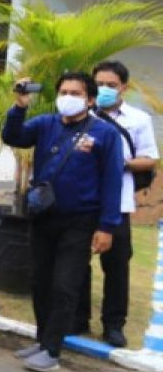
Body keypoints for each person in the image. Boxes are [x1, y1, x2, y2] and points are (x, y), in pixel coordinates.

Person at [2, 72, 124, 372]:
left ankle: (53, 351)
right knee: (40, 281)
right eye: (64, 91)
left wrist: (107, 226)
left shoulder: (104, 134)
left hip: (80, 221)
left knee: (64, 285)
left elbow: (112, 182)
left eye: (76, 92)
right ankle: (43, 339)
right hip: (44, 217)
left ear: (90, 99)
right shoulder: (46, 124)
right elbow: (13, 137)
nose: (68, 97)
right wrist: (19, 106)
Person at [74, 61, 159, 347]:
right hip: (83, 200)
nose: (104, 90)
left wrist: (119, 163)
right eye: (99, 84)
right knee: (77, 261)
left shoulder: (138, 119)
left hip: (117, 203)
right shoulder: (81, 114)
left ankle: (113, 325)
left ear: (124, 86)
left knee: (117, 266)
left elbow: (150, 159)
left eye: (111, 85)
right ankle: (77, 317)